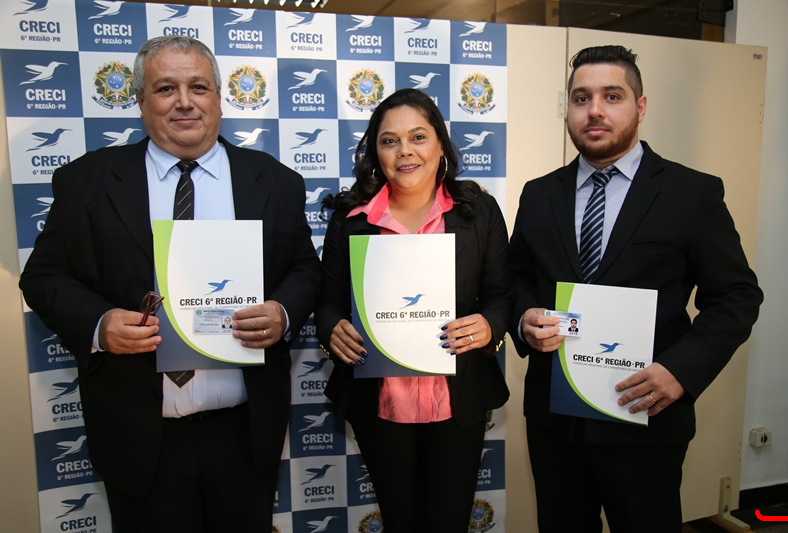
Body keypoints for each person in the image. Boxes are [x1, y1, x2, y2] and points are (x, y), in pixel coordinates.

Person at [19, 36, 320, 532]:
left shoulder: (275, 180)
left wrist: (283, 313)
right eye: (165, 88)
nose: (184, 101)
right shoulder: (87, 181)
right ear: (140, 100)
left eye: (198, 87)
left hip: (244, 434)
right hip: (139, 435)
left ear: (218, 98)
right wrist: (99, 324)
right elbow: (43, 276)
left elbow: (306, 269)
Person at [508, 45, 762, 533]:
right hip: (554, 419)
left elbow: (736, 296)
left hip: (645, 415)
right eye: (581, 98)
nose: (595, 110)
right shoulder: (540, 193)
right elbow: (517, 276)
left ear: (640, 106)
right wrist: (523, 319)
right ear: (568, 109)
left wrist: (681, 371)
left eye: (612, 96)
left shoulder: (692, 193)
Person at [315, 88, 512, 532]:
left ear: (440, 145)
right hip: (380, 400)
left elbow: (502, 296)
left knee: (448, 521)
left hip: (457, 400)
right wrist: (332, 330)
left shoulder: (478, 211)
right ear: (376, 153)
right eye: (390, 141)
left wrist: (489, 325)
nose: (405, 150)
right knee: (400, 520)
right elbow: (327, 305)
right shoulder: (351, 219)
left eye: (418, 137)